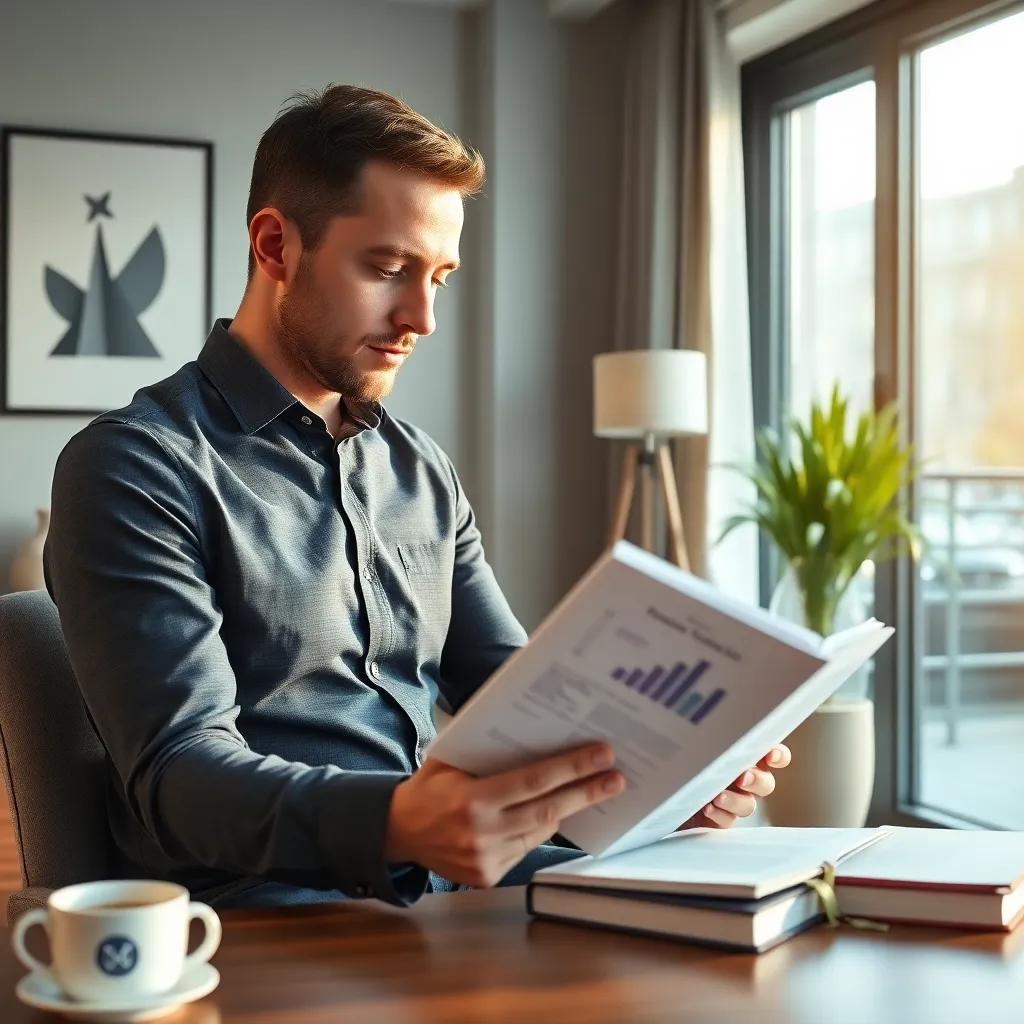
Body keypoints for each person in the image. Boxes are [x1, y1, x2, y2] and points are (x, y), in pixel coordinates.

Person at [45, 84, 790, 910]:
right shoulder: (134, 466)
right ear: (274, 246)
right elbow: (180, 776)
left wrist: (674, 768)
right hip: (263, 916)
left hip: (448, 887)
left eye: (439, 276)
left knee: (742, 932)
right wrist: (397, 822)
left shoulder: (421, 470)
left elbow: (514, 690)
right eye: (389, 268)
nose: (422, 317)